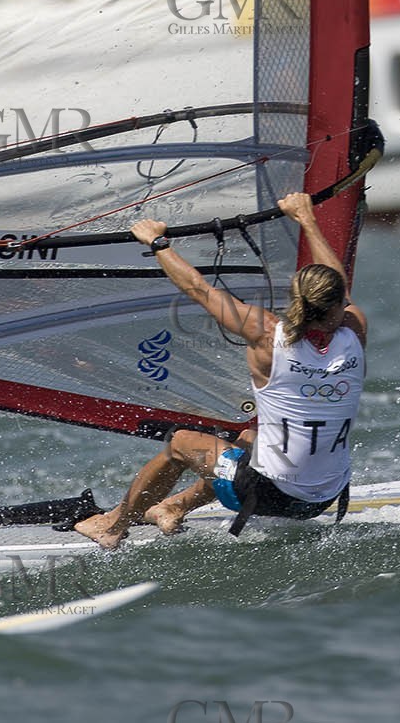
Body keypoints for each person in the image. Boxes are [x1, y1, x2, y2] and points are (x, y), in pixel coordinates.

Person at [75, 193, 367, 549]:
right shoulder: (354, 333)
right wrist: (307, 219)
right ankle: (173, 507)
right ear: (338, 304)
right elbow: (338, 287)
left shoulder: (267, 335)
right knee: (247, 440)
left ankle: (113, 526)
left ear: (297, 299)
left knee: (182, 443)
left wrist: (156, 242)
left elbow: (198, 290)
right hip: (325, 498)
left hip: (266, 494)